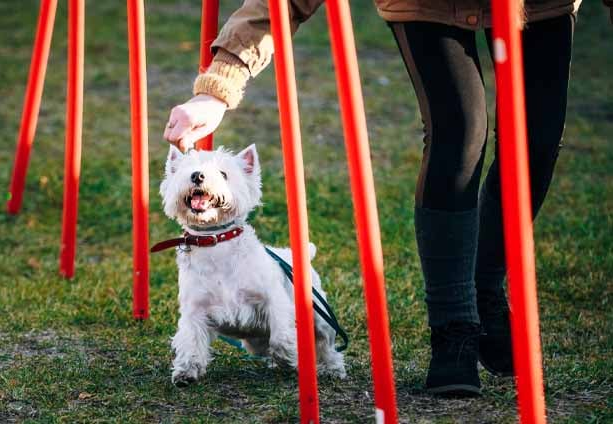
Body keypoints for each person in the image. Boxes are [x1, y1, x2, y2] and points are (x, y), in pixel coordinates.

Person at [163, 0, 609, 396]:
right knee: (460, 133)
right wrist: (216, 88)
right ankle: (453, 324)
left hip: (541, 5)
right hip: (429, 6)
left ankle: (484, 285)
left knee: (536, 144)